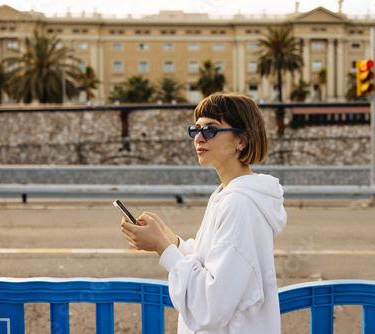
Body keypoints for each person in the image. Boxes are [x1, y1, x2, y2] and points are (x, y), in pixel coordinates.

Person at [121, 92, 287, 333]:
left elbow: (211, 306)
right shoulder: (228, 193)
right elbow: (211, 265)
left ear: (242, 139)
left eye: (210, 130)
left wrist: (162, 248)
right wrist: (170, 239)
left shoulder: (239, 203)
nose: (199, 137)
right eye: (195, 129)